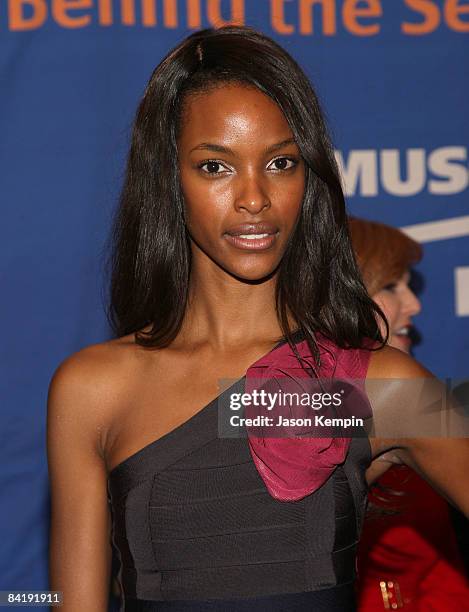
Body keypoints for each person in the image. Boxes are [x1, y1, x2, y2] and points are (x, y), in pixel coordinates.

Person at [47, 26, 469, 612]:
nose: (254, 198)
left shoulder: (377, 382)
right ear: (169, 180)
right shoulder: (92, 387)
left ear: (310, 178)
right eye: (215, 166)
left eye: (280, 162)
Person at [348, 217, 469, 610]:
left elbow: (440, 570)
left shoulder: (411, 397)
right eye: (390, 286)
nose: (414, 304)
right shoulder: (264, 405)